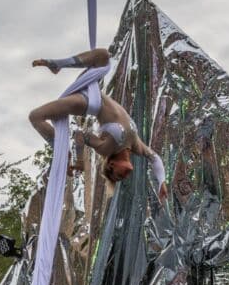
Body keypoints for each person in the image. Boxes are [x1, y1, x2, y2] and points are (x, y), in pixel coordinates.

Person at [29, 48, 168, 203]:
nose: (124, 176)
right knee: (103, 56)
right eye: (121, 178)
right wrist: (162, 181)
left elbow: (80, 136)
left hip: (90, 102)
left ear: (112, 164)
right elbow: (155, 159)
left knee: (35, 116)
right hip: (93, 88)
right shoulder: (135, 145)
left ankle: (58, 146)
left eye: (118, 175)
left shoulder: (107, 148)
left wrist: (79, 159)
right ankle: (58, 65)